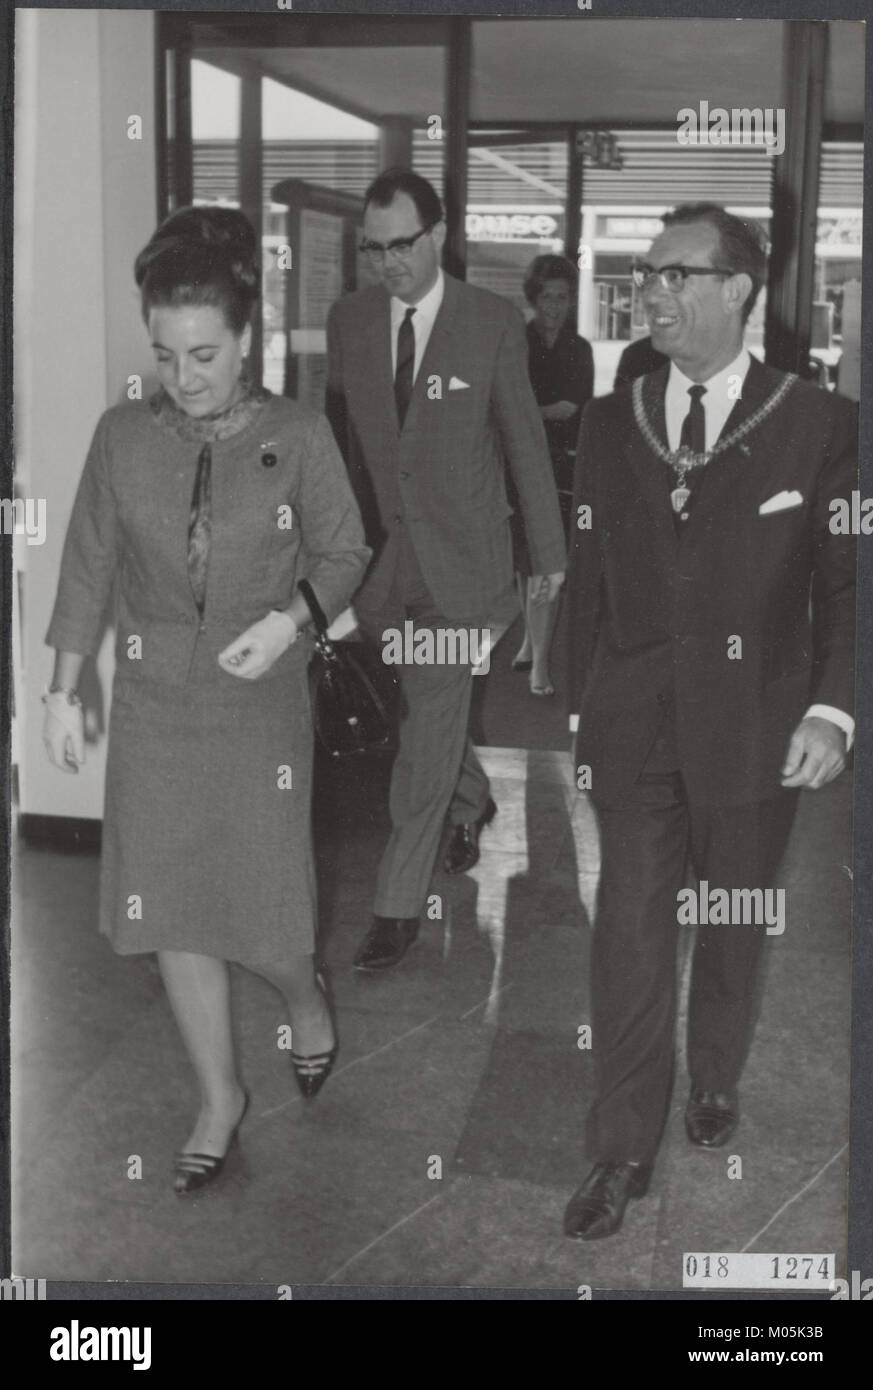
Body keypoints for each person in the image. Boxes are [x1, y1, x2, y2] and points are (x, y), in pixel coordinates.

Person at [43, 206, 370, 1193]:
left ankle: (305, 1000)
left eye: (204, 355)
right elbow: (87, 564)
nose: (182, 380)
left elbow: (347, 550)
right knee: (173, 911)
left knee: (268, 923)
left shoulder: (301, 435)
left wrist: (293, 623)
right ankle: (220, 1095)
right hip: (155, 707)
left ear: (246, 341)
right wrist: (63, 688)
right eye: (164, 354)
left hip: (260, 703)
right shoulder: (121, 439)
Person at [563, 203, 856, 1240]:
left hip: (760, 726)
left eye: (678, 274)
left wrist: (833, 708)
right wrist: (572, 705)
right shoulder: (615, 413)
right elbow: (586, 570)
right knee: (632, 933)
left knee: (732, 918)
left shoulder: (818, 421)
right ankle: (619, 1147)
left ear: (740, 289)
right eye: (649, 274)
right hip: (633, 726)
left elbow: (851, 582)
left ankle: (717, 1075)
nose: (654, 291)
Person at [326, 169, 566, 973]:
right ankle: (471, 799)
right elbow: (347, 451)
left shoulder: (491, 322)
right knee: (419, 714)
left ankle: (395, 906)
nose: (388, 262)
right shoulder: (351, 322)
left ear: (438, 234)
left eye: (402, 245)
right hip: (385, 566)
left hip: (464, 569)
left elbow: (526, 447)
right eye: (374, 248)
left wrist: (549, 566)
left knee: (426, 728)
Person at [510, 254, 593, 697]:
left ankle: (540, 663)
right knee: (527, 564)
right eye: (547, 297)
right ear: (533, 298)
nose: (555, 306)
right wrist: (540, 412)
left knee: (548, 565)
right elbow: (509, 405)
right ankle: (529, 641)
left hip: (560, 467)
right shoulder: (516, 342)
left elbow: (575, 406)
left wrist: (531, 412)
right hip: (519, 466)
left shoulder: (580, 349)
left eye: (563, 298)